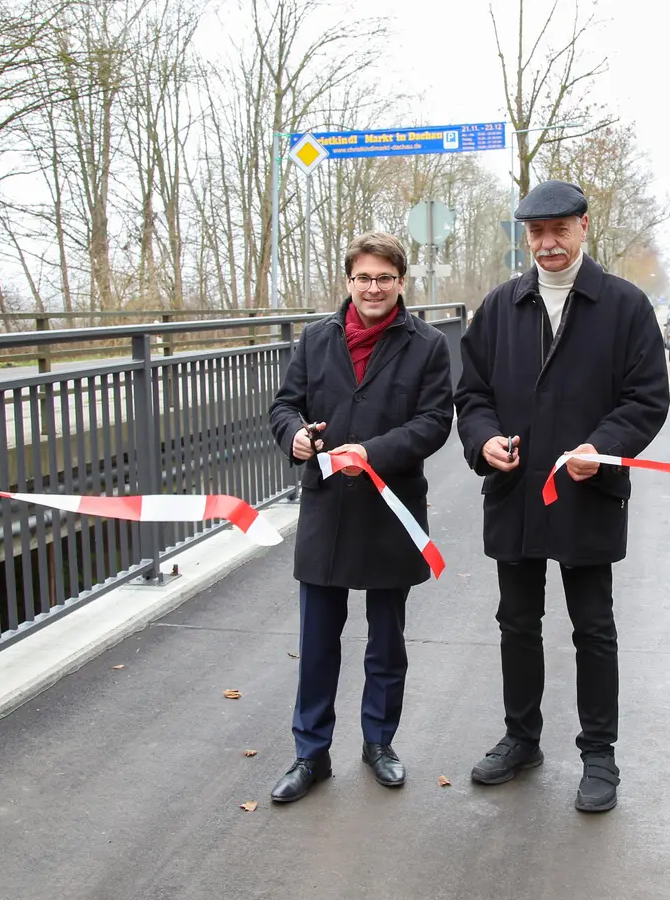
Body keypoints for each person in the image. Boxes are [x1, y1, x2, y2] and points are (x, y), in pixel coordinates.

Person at [454, 180, 670, 813]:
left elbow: (646, 399)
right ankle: (522, 739)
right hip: (518, 489)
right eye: (536, 233)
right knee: (517, 623)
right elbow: (472, 396)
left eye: (559, 231)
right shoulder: (500, 306)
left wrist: (599, 447)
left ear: (582, 227)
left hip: (586, 490)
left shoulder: (625, 306)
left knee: (593, 627)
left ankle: (599, 755)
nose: (547, 244)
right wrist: (485, 441)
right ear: (527, 237)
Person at [266, 231, 454, 803]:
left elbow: (434, 422)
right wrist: (295, 436)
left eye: (385, 278)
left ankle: (379, 744)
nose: (373, 288)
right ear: (348, 281)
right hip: (327, 507)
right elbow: (283, 404)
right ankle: (310, 754)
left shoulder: (427, 345)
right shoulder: (317, 338)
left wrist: (374, 453)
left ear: (402, 283)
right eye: (363, 278)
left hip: (391, 508)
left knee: (385, 640)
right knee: (318, 640)